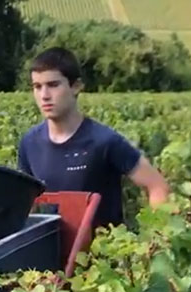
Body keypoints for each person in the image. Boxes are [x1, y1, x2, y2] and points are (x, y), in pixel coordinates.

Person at [17, 47, 169, 229]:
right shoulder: (29, 143)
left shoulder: (104, 141)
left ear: (76, 86)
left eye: (53, 85)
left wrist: (156, 238)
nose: (44, 96)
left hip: (100, 255)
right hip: (48, 254)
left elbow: (157, 185)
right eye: (37, 87)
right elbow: (26, 205)